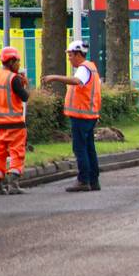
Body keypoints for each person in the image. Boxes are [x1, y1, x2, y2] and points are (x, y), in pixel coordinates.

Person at [42, 41, 102, 192]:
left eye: (70, 55)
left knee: (80, 149)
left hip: (81, 116)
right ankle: (93, 181)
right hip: (89, 115)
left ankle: (83, 181)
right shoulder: (91, 67)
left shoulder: (83, 69)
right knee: (89, 149)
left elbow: (76, 81)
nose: (69, 58)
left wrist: (54, 77)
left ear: (77, 54)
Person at [0, 47, 30, 195]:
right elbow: (24, 97)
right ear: (11, 61)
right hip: (15, 124)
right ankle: (13, 185)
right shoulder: (13, 78)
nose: (18, 64)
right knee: (17, 153)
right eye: (17, 61)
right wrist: (24, 84)